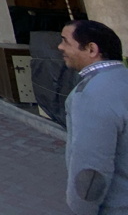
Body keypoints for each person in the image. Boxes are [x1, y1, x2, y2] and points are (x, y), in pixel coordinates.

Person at [58, 19, 128, 215]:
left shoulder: (91, 94)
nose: (60, 47)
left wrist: (82, 210)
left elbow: (91, 170)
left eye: (65, 41)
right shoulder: (123, 79)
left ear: (91, 49)